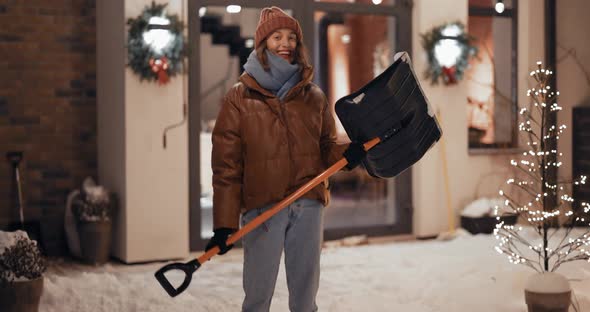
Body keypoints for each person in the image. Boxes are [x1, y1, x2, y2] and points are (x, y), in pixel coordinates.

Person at [205, 6, 365, 312]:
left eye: (291, 37)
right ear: (263, 43)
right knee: (258, 294)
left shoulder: (313, 96)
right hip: (263, 208)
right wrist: (224, 225)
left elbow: (326, 148)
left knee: (306, 296)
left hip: (308, 204)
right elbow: (226, 168)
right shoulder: (239, 98)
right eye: (277, 36)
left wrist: (349, 153)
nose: (285, 43)